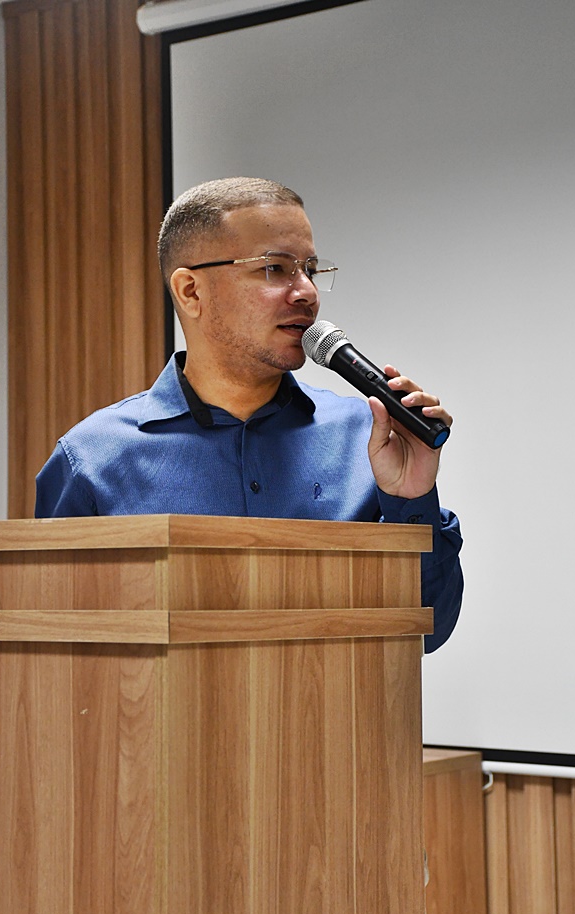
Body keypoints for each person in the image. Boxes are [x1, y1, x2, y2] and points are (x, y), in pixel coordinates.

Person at [35, 177, 463, 651]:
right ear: (191, 291)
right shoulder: (92, 460)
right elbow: (56, 655)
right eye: (275, 268)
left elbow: (427, 632)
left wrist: (411, 498)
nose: (307, 293)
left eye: (311, 270)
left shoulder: (370, 438)